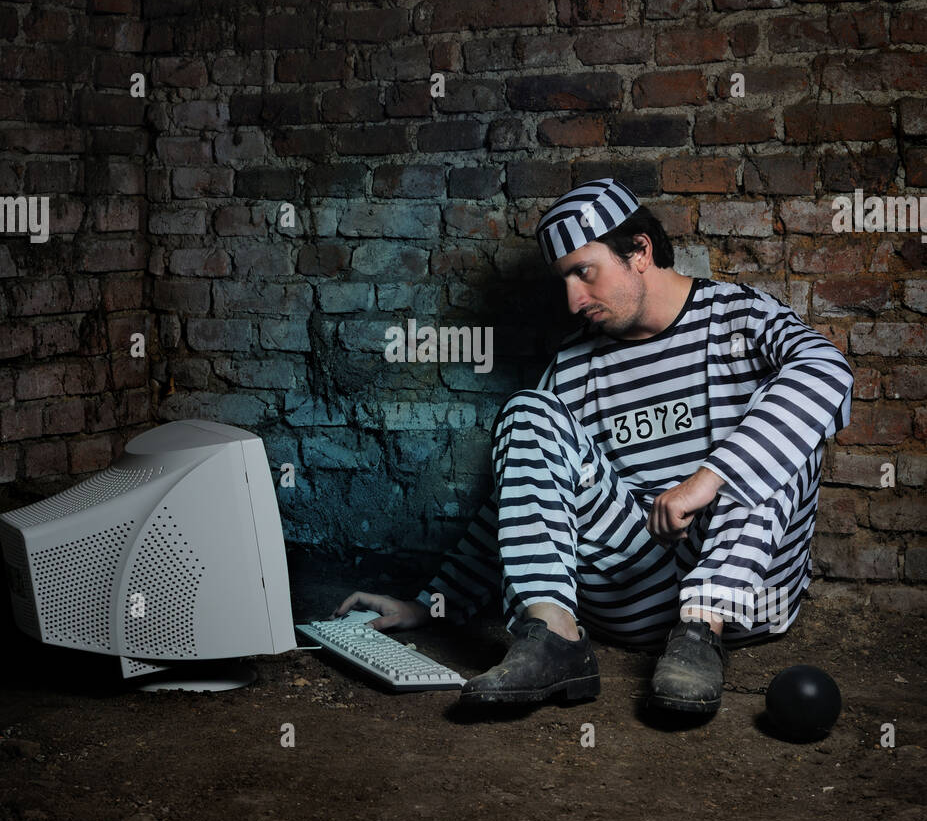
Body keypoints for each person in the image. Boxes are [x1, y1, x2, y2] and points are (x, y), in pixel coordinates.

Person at [333, 178, 854, 716]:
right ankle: (554, 639)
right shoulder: (575, 364)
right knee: (527, 413)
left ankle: (701, 630)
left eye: (585, 272)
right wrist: (431, 604)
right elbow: (523, 496)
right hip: (636, 590)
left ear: (640, 252)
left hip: (746, 592)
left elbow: (828, 372)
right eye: (564, 281)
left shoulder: (737, 317)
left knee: (792, 413)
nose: (574, 299)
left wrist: (709, 479)